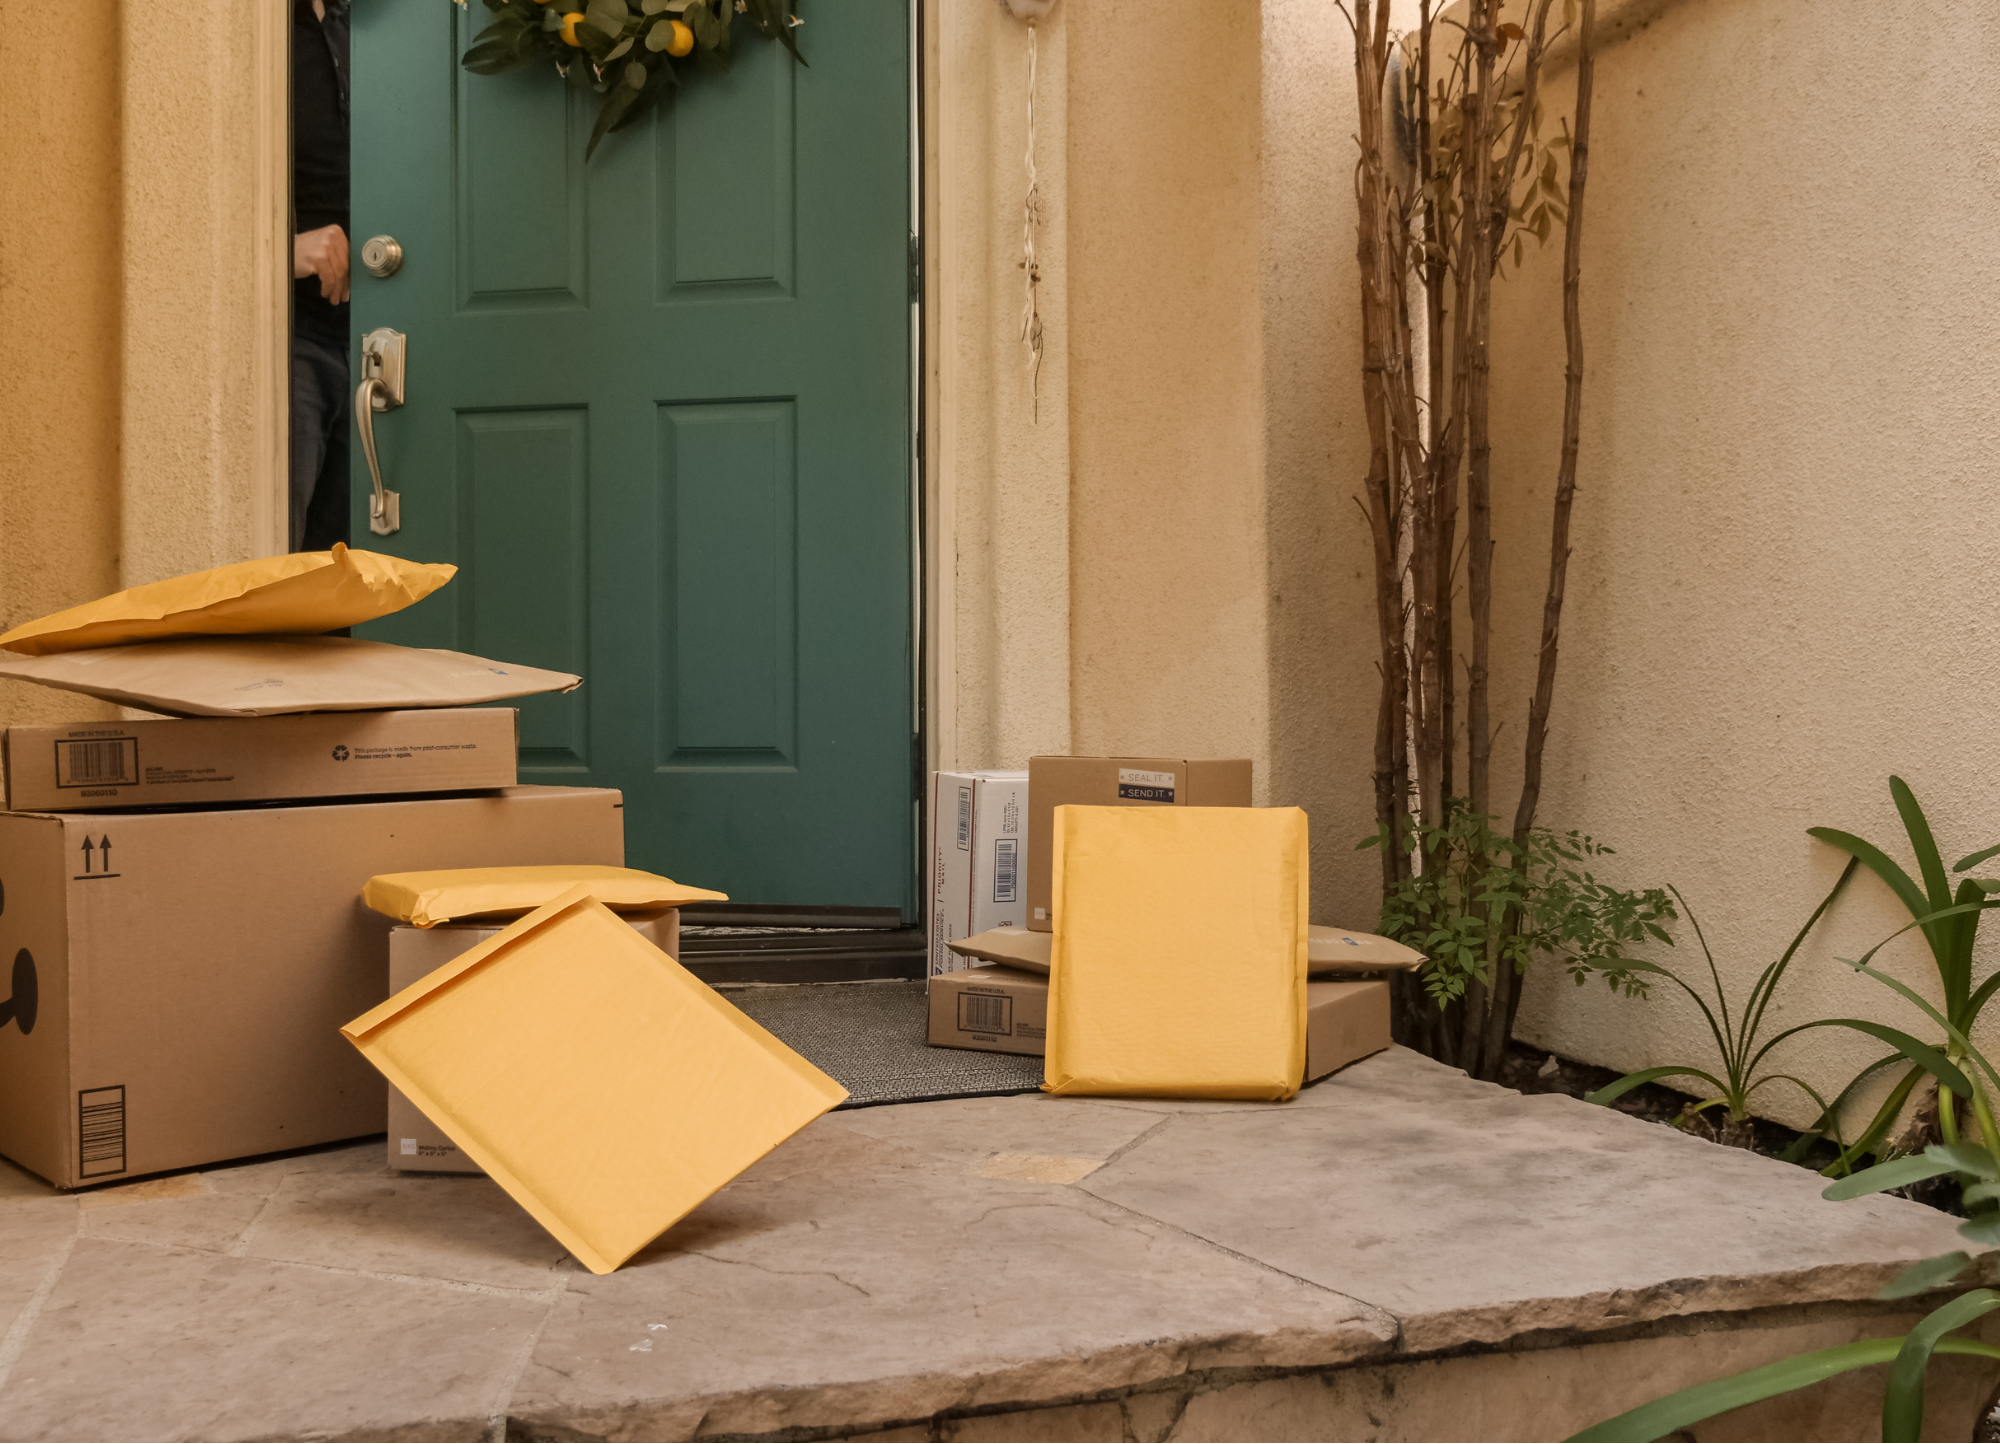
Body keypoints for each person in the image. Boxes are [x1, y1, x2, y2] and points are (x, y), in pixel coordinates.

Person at [290, 0, 352, 553]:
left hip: (386, 344)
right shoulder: (250, 35)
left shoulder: (369, 26)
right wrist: (278, 253)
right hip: (291, 346)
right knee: (280, 571)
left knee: (354, 591)